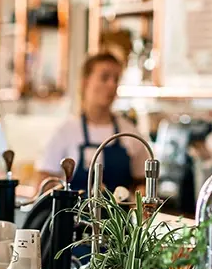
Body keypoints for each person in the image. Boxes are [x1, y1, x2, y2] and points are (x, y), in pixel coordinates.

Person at [36, 52, 149, 194]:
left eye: (116, 79)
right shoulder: (65, 132)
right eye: (105, 77)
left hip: (119, 216)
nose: (112, 85)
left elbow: (142, 184)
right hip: (73, 215)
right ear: (85, 82)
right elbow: (44, 186)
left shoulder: (129, 132)